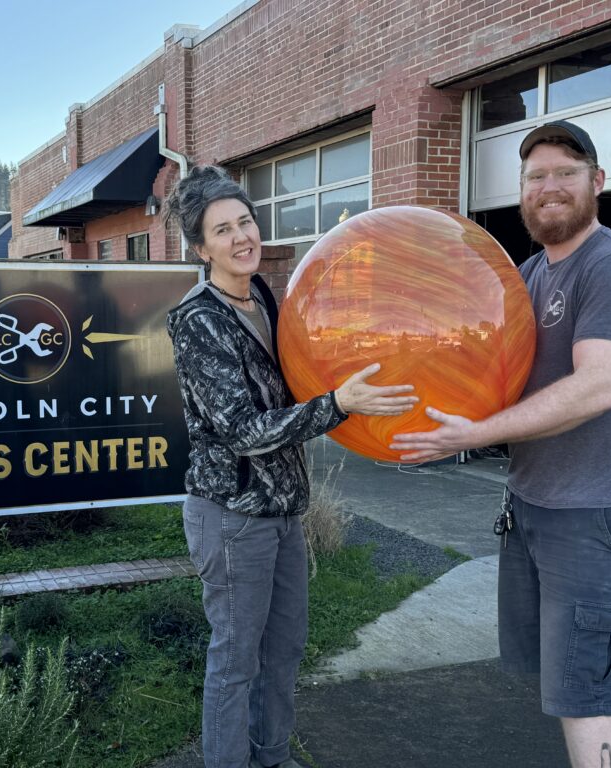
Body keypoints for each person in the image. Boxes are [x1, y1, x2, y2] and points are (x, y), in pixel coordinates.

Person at [390, 121, 611, 768]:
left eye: (565, 174)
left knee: (586, 688)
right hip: (536, 504)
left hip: (593, 512)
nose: (549, 187)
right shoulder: (529, 273)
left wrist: (475, 435)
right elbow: (482, 362)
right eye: (535, 176)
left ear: (597, 182)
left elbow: (598, 386)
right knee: (559, 674)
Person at [165, 165, 416, 768]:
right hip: (232, 517)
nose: (241, 237)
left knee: (284, 649)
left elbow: (296, 380)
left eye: (245, 221)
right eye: (222, 230)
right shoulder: (199, 319)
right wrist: (337, 407)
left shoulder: (263, 297)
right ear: (201, 249)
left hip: (281, 510)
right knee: (235, 660)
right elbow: (244, 431)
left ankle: (271, 755)